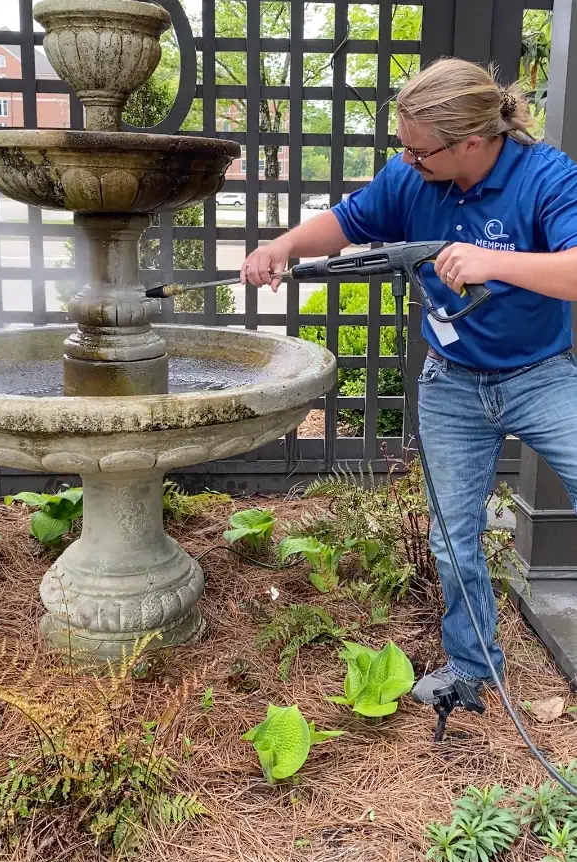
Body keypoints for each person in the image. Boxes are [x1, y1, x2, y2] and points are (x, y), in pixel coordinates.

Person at [240, 56, 577, 704]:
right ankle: (474, 671)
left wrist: (496, 263)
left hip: (540, 375)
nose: (406, 161)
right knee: (452, 542)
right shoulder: (411, 175)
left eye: (419, 152)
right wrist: (283, 248)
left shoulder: (545, 175)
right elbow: (347, 221)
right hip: (452, 382)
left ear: (472, 143)